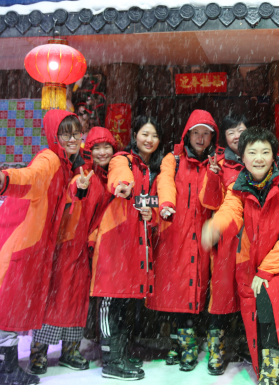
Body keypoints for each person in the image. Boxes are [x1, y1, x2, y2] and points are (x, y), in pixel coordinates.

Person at [0, 109, 83, 385]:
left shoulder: (66, 165)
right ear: (54, 136)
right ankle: (6, 371)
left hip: (19, 238)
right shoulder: (50, 159)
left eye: (77, 133)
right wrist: (6, 179)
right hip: (17, 241)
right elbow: (30, 176)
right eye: (66, 134)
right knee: (6, 303)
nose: (73, 139)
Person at [201, 126, 279, 385]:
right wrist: (216, 226)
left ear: (274, 156)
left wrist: (267, 270)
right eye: (252, 152)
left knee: (268, 295)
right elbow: (231, 211)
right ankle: (266, 364)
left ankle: (276, 367)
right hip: (255, 261)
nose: (259, 158)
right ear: (242, 157)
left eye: (265, 152)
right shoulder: (239, 187)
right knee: (253, 306)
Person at [28, 127, 117, 375]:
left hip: (84, 248)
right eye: (96, 148)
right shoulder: (79, 170)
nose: (102, 152)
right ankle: (39, 352)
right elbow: (67, 197)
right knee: (53, 298)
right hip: (62, 244)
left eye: (107, 147)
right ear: (88, 149)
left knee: (77, 300)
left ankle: (70, 350)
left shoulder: (109, 177)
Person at [89, 116, 163, 380]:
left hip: (133, 243)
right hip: (114, 240)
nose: (149, 140)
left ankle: (119, 353)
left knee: (122, 302)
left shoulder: (152, 169)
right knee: (110, 299)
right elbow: (119, 175)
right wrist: (121, 186)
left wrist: (152, 215)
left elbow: (153, 204)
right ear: (135, 135)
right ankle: (111, 360)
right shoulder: (123, 159)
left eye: (154, 135)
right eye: (145, 133)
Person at [148, 110, 218, 372]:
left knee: (195, 292)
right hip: (174, 234)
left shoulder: (215, 162)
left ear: (212, 137)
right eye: (196, 133)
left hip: (202, 236)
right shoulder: (174, 159)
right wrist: (166, 203)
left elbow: (214, 200)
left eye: (205, 134)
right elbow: (165, 181)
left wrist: (214, 175)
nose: (200, 138)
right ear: (188, 134)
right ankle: (180, 346)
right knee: (176, 293)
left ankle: (186, 346)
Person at [199, 113, 248, 375]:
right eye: (231, 132)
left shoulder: (259, 158)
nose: (237, 136)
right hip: (226, 239)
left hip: (253, 238)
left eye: (241, 129)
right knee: (220, 297)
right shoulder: (217, 164)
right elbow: (209, 202)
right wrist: (213, 176)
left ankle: (246, 345)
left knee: (250, 295)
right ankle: (216, 351)